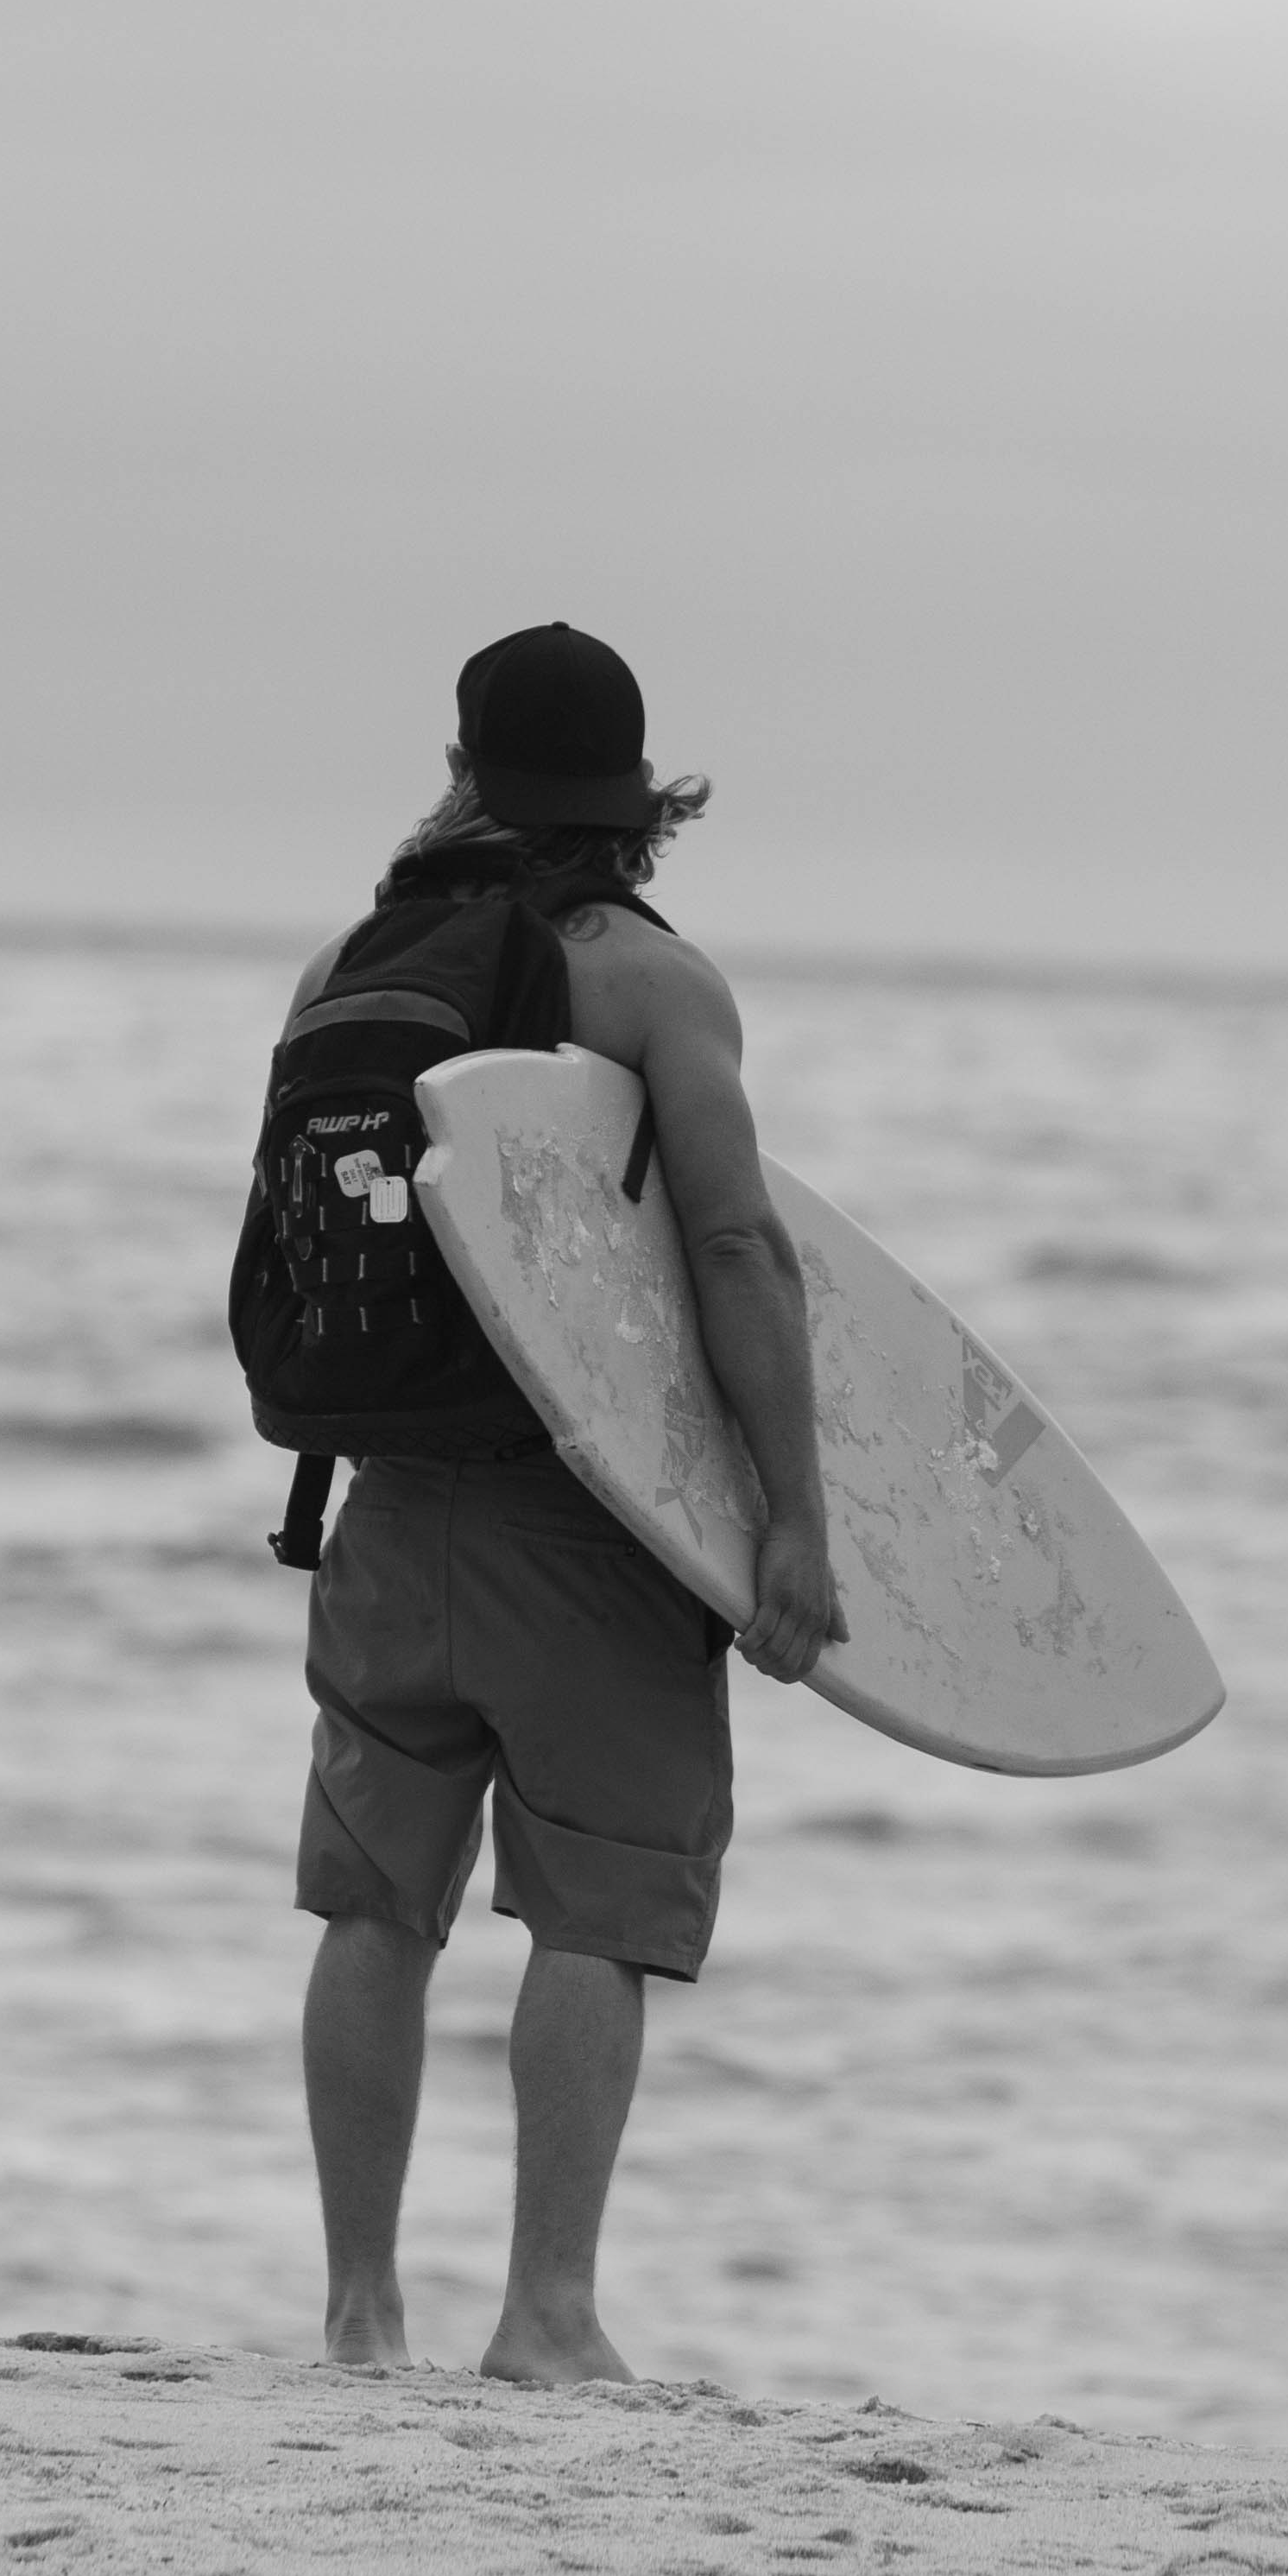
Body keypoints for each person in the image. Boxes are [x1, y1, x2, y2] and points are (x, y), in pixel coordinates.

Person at [275, 625, 845, 2387]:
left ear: (464, 765)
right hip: (575, 1529)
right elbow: (736, 1247)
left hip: (384, 1504)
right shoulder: (645, 982)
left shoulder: (351, 962)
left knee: (376, 1908)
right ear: (635, 799)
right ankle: (546, 2314)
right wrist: (797, 1521)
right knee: (595, 1911)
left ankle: (359, 2314)